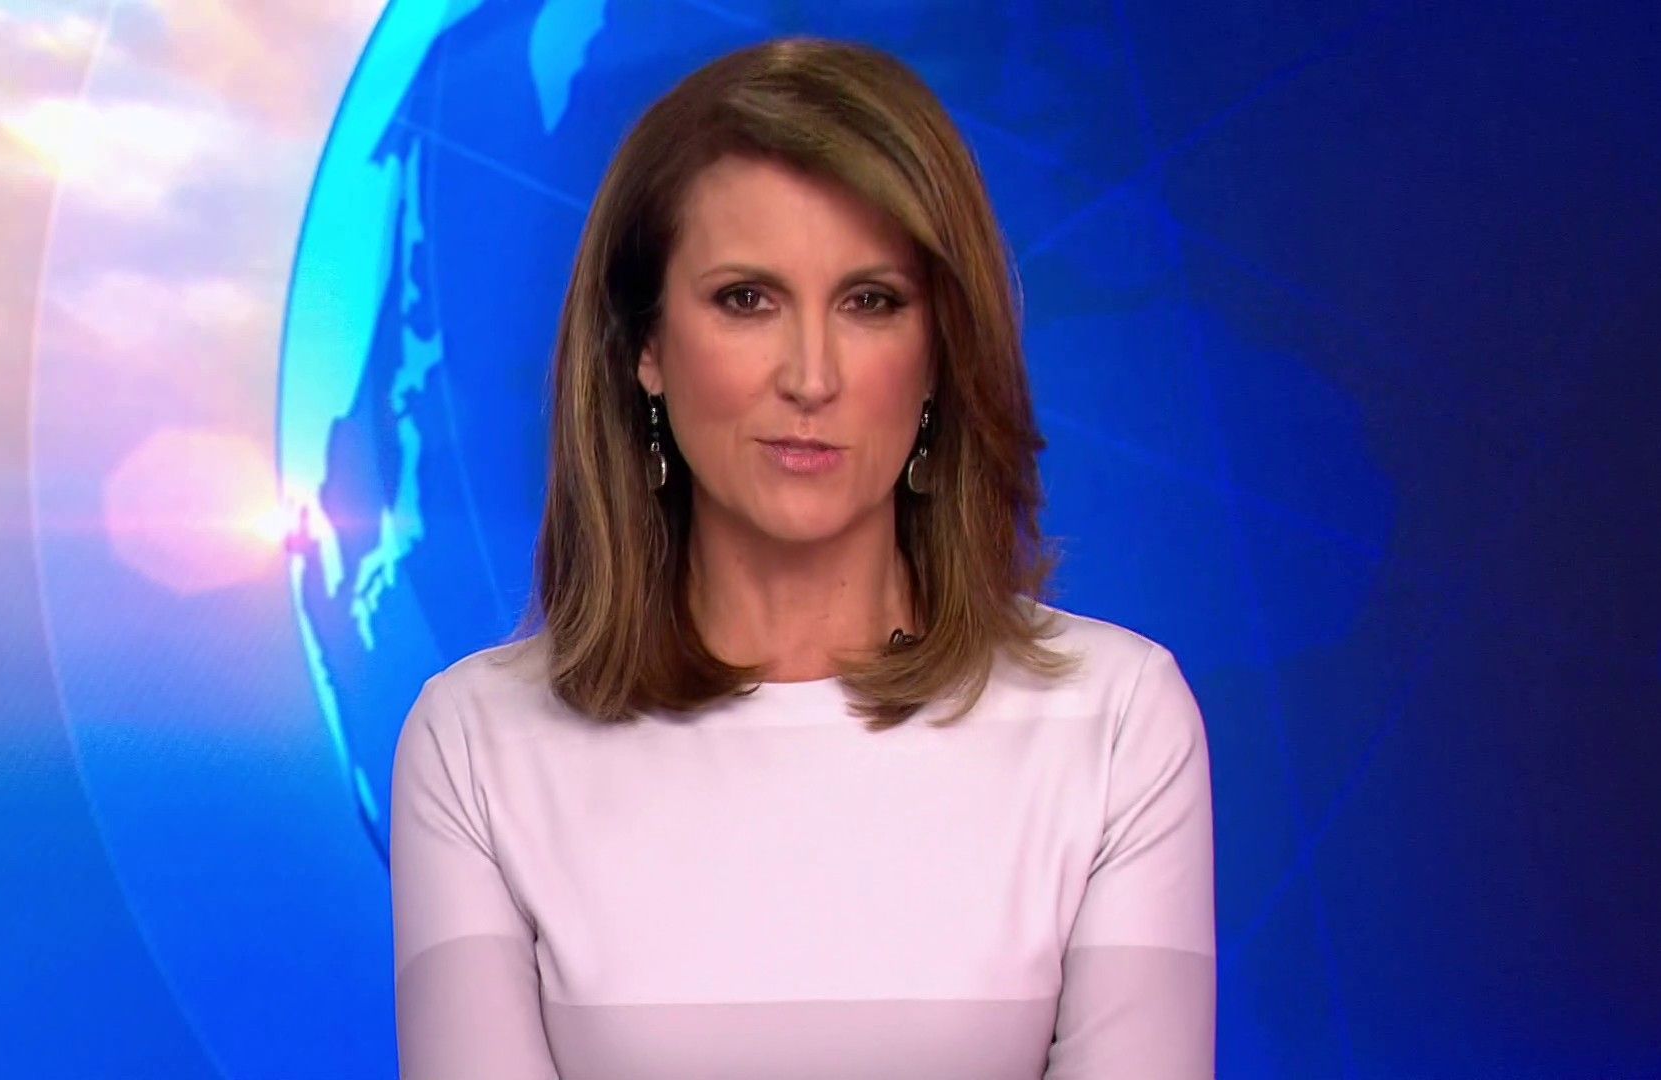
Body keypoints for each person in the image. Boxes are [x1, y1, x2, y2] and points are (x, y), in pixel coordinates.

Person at [388, 36, 1215, 1079]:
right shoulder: (477, 748)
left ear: (939, 351)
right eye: (747, 299)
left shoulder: (1117, 725)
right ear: (645, 346)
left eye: (871, 301)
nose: (812, 376)